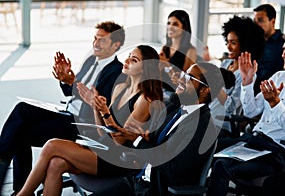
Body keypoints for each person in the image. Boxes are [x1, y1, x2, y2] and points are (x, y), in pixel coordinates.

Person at [15, 45, 164, 196]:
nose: (126, 60)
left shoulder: (145, 100)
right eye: (129, 55)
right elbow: (102, 131)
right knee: (55, 164)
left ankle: (23, 194)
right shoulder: (120, 88)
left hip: (118, 160)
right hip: (103, 148)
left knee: (52, 145)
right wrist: (95, 108)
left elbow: (119, 141)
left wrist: (105, 112)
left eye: (134, 60)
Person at [0, 21, 126, 194]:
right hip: (67, 114)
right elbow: (71, 91)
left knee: (22, 110)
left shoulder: (117, 72)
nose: (95, 43)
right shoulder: (91, 61)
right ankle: (19, 189)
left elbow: (99, 104)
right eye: (95, 38)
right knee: (20, 131)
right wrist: (64, 78)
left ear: (116, 45)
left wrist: (73, 82)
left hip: (82, 125)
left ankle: (3, 162)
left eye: (102, 40)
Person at [91, 63, 236, 196]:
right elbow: (152, 144)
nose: (180, 79)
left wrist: (138, 140)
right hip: (137, 181)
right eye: (183, 74)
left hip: (157, 190)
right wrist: (137, 137)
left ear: (205, 90)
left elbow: (172, 170)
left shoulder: (204, 128)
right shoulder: (173, 108)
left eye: (189, 77)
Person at [207, 29, 285, 196]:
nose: (283, 55)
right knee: (204, 147)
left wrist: (275, 103)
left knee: (222, 165)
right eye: (284, 50)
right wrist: (247, 82)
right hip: (254, 141)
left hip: (277, 152)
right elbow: (250, 111)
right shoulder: (279, 77)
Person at [209, 15, 265, 147]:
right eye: (227, 42)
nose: (228, 47)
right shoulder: (226, 64)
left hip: (223, 124)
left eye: (233, 43)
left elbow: (231, 107)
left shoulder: (245, 73)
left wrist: (216, 87)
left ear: (245, 44)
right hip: (208, 117)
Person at [159, 9, 197, 96]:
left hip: (175, 94)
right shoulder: (165, 48)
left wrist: (167, 65)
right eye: (169, 23)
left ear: (184, 28)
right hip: (161, 90)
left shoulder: (190, 51)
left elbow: (183, 83)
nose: (170, 27)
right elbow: (157, 75)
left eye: (175, 24)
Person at [253, 3, 285, 95]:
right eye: (255, 21)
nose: (257, 25)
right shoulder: (254, 42)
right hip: (254, 91)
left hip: (273, 92)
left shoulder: (283, 44)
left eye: (261, 20)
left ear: (273, 21)